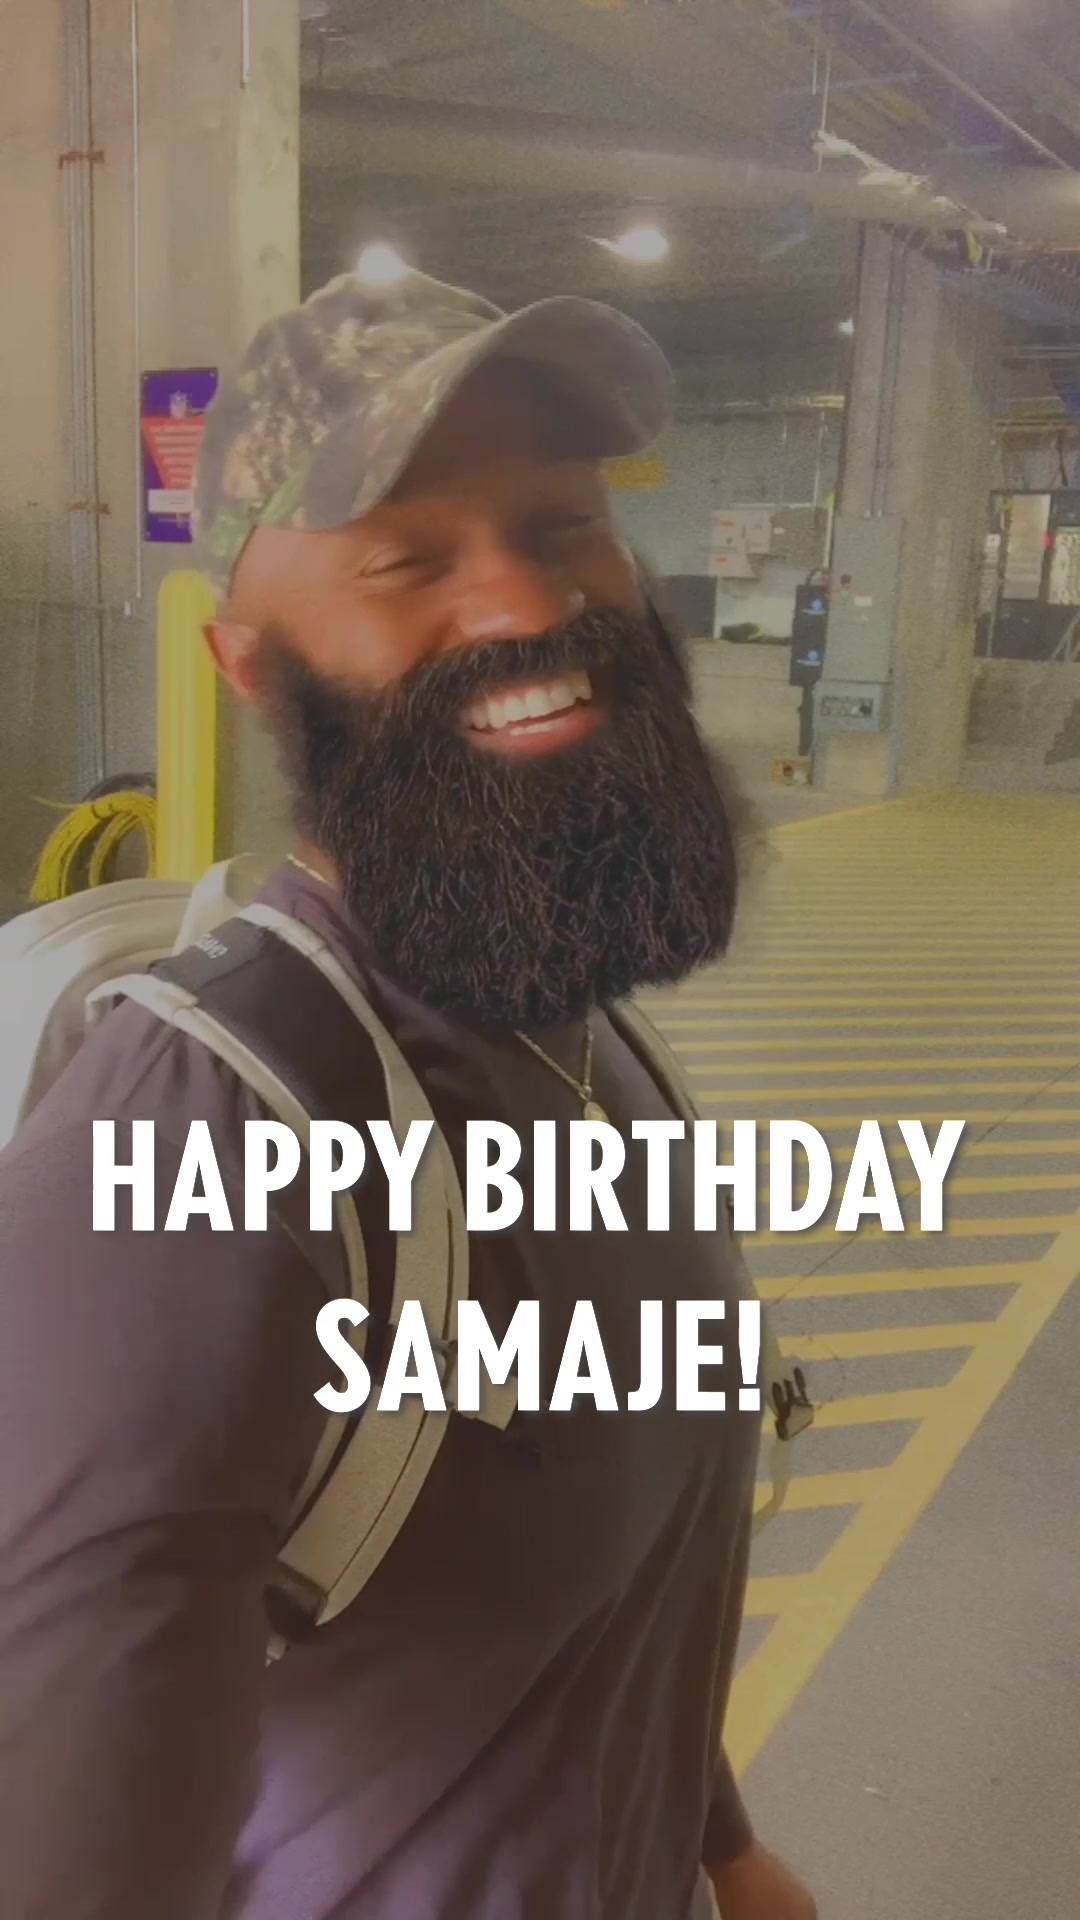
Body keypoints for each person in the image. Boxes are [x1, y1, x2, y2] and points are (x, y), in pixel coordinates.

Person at [0, 270, 816, 1920]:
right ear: (248, 665)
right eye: (407, 561)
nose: (524, 601)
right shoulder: (205, 1143)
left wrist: (720, 1848)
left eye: (563, 523)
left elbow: (578, 1575)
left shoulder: (571, 1020)